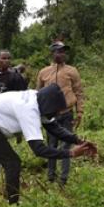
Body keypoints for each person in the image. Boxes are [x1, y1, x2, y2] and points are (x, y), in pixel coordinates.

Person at [0, 84, 96, 206]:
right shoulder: (28, 110)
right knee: (12, 163)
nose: (55, 115)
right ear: (49, 106)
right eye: (55, 112)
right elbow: (39, 150)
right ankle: (13, 206)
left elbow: (53, 127)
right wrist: (71, 153)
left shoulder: (38, 98)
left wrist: (78, 141)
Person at [36, 41, 85, 185]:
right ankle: (50, 176)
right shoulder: (43, 72)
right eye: (58, 51)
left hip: (67, 113)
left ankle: (63, 178)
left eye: (63, 51)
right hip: (50, 115)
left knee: (66, 145)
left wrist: (80, 111)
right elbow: (38, 94)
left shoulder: (72, 71)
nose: (61, 54)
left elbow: (79, 92)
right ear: (52, 53)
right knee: (51, 145)